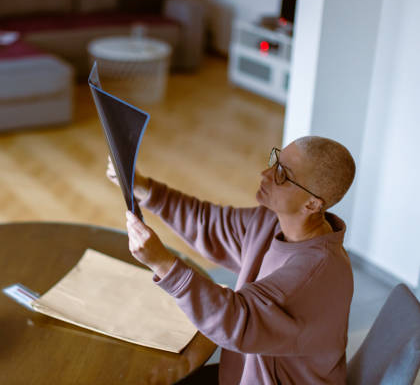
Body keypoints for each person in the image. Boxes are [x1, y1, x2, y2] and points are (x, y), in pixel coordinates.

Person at [106, 136, 356, 385]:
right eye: (275, 160)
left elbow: (236, 321)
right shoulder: (271, 221)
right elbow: (208, 223)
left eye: (282, 174)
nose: (265, 174)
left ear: (312, 204)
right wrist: (143, 187)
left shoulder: (317, 274)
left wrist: (163, 264)